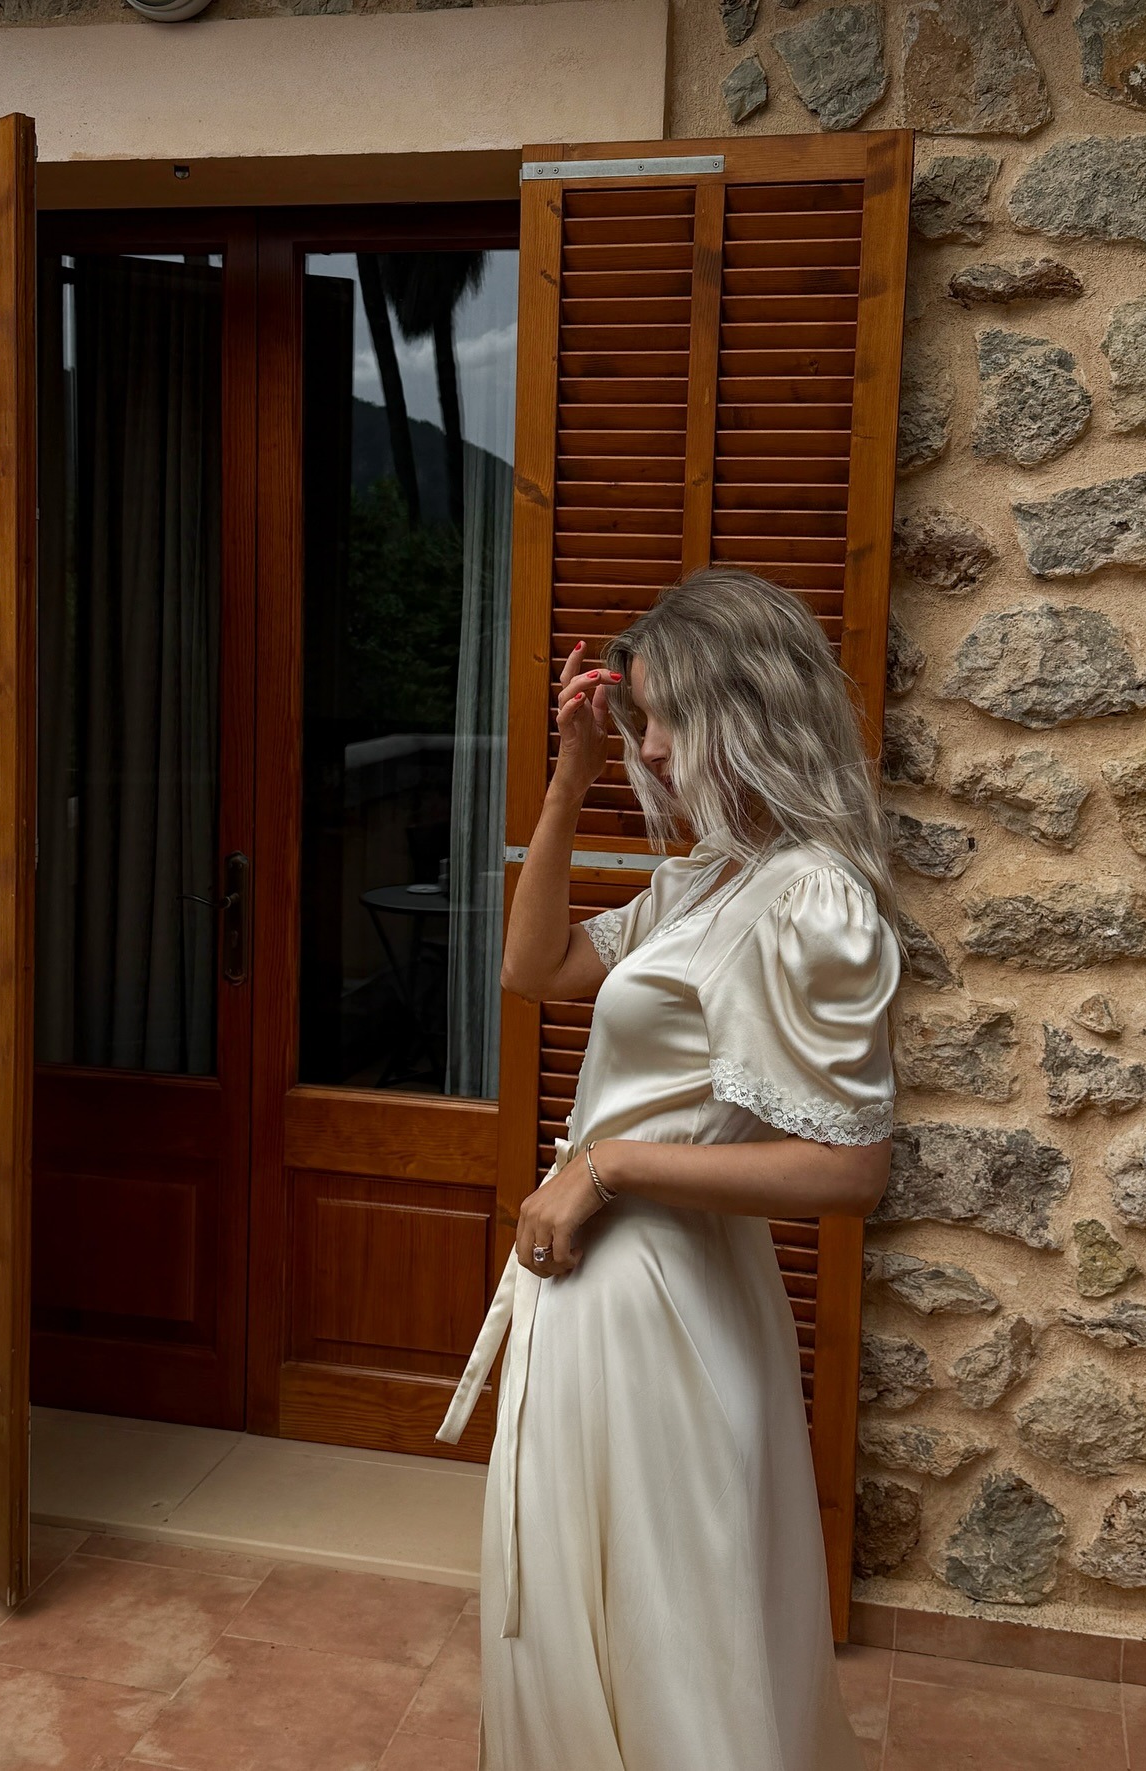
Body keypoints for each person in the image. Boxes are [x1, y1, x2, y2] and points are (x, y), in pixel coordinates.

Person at [437, 567, 901, 1771]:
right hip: (605, 1296)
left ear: (739, 714)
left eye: (660, 722)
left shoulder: (811, 896)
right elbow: (538, 968)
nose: (645, 744)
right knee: (581, 1614)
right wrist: (570, 780)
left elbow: (851, 1169)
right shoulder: (712, 878)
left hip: (669, 1307)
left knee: (670, 1629)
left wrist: (607, 1165)